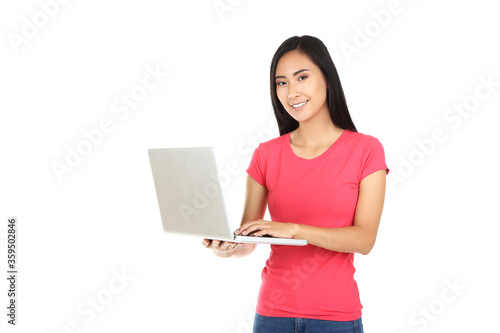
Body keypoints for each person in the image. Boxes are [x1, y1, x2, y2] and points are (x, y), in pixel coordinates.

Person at [202, 35, 389, 333]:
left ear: (328, 79)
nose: (291, 91)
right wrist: (227, 248)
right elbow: (250, 237)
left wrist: (294, 229)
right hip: (272, 316)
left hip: (336, 318)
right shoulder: (266, 154)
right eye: (282, 82)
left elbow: (364, 240)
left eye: (302, 77)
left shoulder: (366, 150)